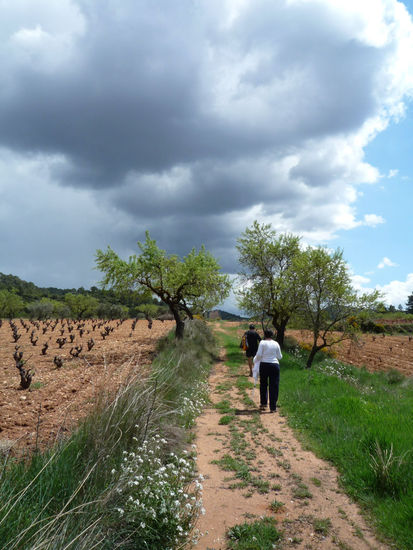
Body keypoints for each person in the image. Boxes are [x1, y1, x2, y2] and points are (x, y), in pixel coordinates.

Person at [252, 329, 282, 413]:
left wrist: (256, 360)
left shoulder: (262, 343)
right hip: (274, 365)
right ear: (272, 335)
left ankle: (263, 403)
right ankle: (273, 407)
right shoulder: (276, 343)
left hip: (264, 365)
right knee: (274, 386)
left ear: (265, 335)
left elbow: (258, 355)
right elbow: (280, 357)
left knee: (264, 384)